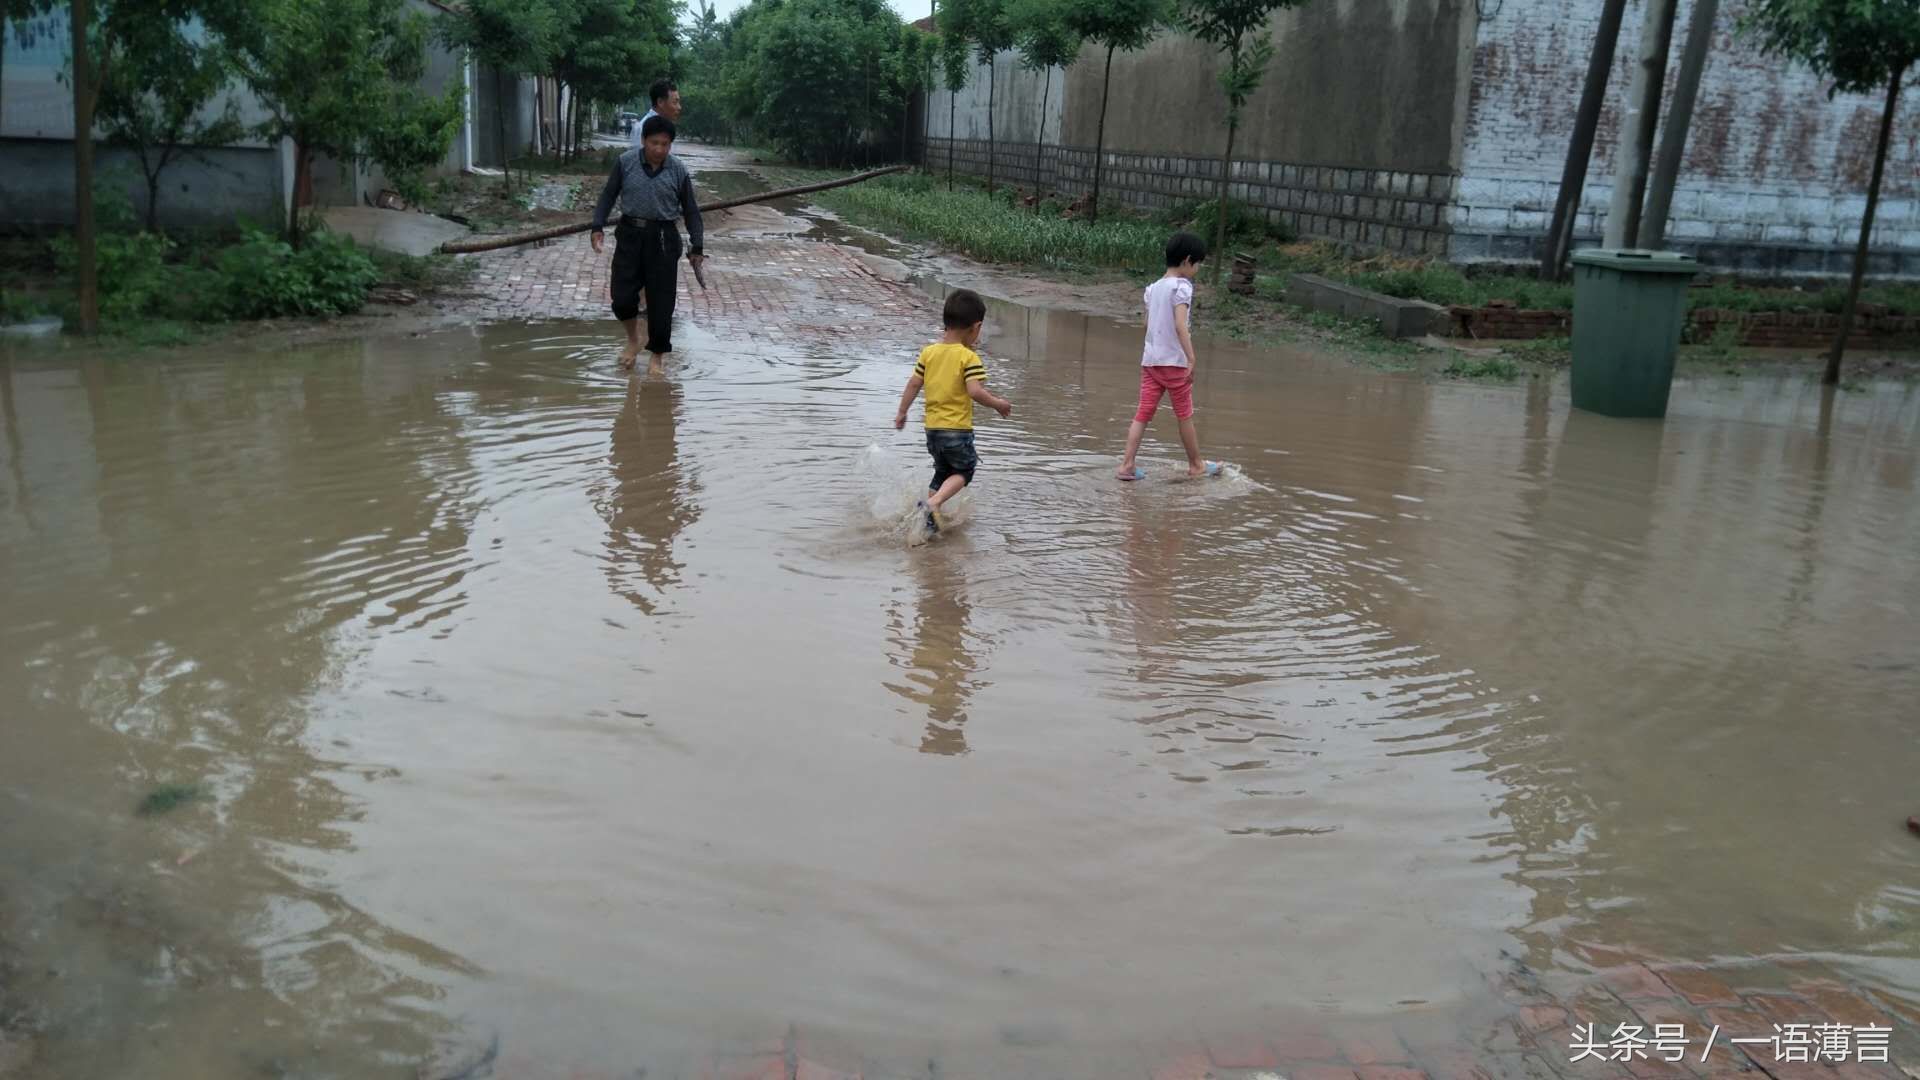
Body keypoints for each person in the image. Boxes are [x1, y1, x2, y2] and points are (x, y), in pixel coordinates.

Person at [591, 115, 706, 375]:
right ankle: (633, 339)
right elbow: (608, 195)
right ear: (643, 141)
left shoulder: (678, 170)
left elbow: (691, 211)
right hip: (630, 234)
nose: (659, 149)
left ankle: (657, 357)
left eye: (665, 144)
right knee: (622, 298)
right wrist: (597, 226)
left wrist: (697, 245)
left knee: (662, 303)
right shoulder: (625, 162)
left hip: (664, 238)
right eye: (654, 143)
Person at [892, 288, 1013, 536]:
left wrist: (902, 411)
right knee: (964, 470)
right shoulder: (968, 358)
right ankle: (934, 504)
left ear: (946, 322)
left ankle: (928, 522)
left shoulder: (929, 353)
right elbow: (975, 392)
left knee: (942, 473)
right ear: (976, 327)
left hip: (932, 430)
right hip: (956, 430)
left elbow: (914, 383)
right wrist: (999, 404)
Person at [1116, 231, 1220, 481]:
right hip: (1174, 363)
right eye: (1198, 263)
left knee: (1142, 414)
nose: (1198, 268)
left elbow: (1148, 325)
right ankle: (1197, 465)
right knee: (1184, 415)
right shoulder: (1182, 286)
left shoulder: (1152, 289)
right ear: (1187, 260)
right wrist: (1191, 358)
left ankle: (1127, 466)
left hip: (1151, 361)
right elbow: (1180, 326)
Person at [628, 80, 683, 149]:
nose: (679, 107)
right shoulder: (643, 128)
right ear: (660, 102)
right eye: (675, 102)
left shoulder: (667, 127)